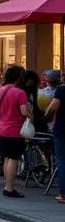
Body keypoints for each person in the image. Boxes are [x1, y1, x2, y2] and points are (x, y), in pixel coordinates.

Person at [0, 64, 32, 198]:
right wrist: (30, 115)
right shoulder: (19, 92)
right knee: (14, 158)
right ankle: (9, 188)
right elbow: (23, 111)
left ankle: (7, 184)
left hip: (2, 128)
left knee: (7, 157)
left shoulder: (0, 90)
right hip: (15, 130)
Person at [42, 69, 65, 204]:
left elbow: (53, 107)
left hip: (62, 129)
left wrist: (46, 117)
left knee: (62, 161)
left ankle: (63, 194)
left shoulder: (62, 90)